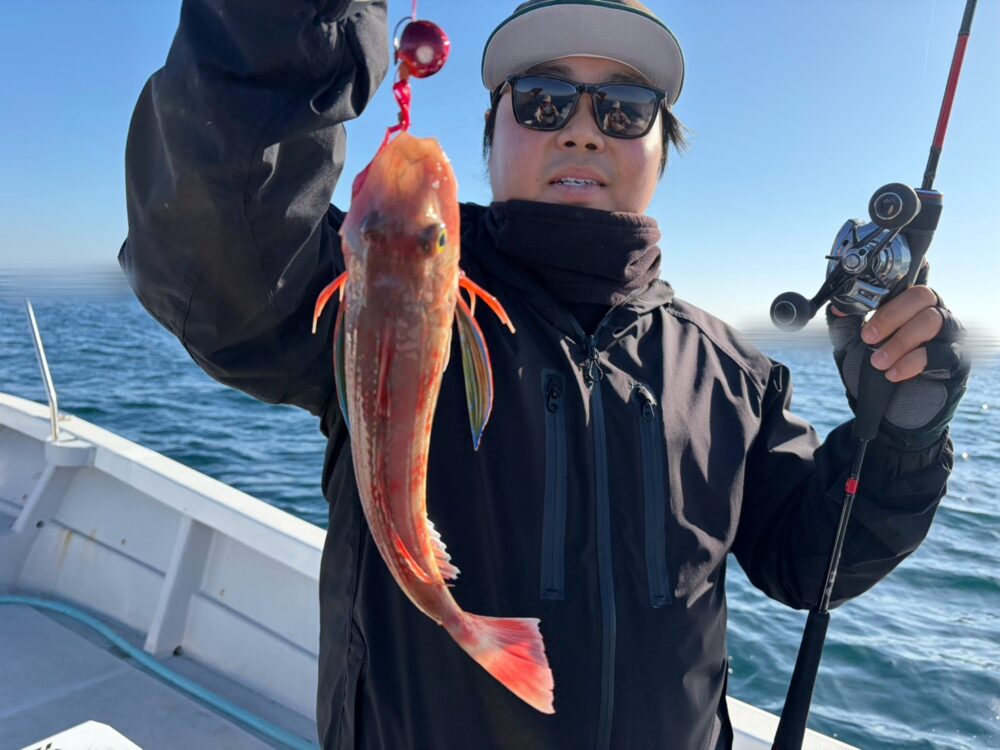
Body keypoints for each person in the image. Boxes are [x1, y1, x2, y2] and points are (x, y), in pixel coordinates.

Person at [119, 1, 969, 748]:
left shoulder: (731, 374)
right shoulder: (376, 282)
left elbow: (814, 562)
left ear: (663, 150)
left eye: (627, 109)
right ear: (492, 137)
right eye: (543, 99)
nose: (582, 129)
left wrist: (903, 437)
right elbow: (215, 255)